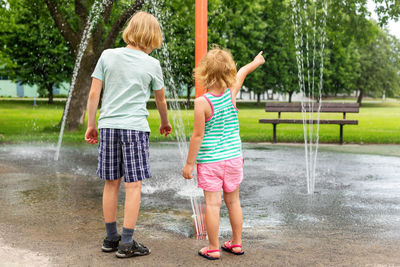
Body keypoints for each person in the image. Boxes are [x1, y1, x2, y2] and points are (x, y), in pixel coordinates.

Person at [85, 11, 172, 258]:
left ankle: (110, 238)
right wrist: (164, 122)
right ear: (153, 37)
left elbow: (94, 95)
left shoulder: (107, 56)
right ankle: (126, 243)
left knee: (111, 183)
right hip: (135, 129)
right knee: (133, 186)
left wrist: (92, 125)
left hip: (108, 127)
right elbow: (161, 99)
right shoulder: (152, 64)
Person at [182, 48, 265, 260]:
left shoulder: (202, 103)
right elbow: (243, 72)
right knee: (233, 202)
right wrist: (256, 61)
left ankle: (213, 247)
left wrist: (189, 164)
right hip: (234, 159)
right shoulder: (231, 92)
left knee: (212, 204)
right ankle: (236, 243)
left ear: (204, 73)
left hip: (211, 162)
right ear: (228, 71)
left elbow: (198, 136)